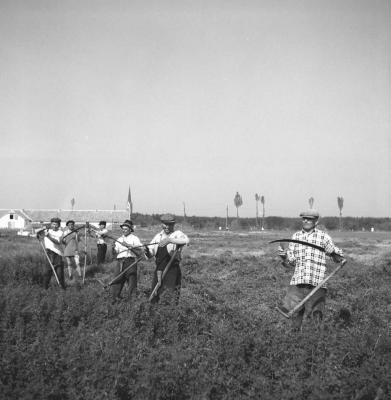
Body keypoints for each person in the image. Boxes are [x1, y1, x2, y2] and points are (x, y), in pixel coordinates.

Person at [277, 209, 344, 330]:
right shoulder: (296, 236)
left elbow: (339, 256)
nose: (306, 221)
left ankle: (315, 344)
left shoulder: (323, 237)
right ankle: (293, 341)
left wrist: (334, 253)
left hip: (318, 282)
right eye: (304, 218)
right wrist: (284, 256)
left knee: (316, 316)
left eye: (309, 219)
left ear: (316, 221)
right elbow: (291, 261)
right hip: (298, 281)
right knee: (294, 315)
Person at [147, 214, 189, 304]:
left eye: (169, 224)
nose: (167, 226)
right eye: (165, 224)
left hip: (172, 269)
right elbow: (150, 253)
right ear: (162, 224)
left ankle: (170, 314)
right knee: (155, 295)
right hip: (159, 269)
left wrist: (170, 240)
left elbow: (186, 241)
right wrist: (146, 251)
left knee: (171, 295)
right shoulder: (158, 236)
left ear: (173, 225)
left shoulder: (177, 234)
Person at [111, 220, 144, 302]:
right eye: (123, 229)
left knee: (131, 281)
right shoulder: (119, 239)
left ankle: (131, 301)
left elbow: (141, 249)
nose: (124, 230)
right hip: (120, 262)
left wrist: (129, 245)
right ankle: (115, 299)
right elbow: (116, 252)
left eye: (126, 229)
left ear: (130, 230)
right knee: (117, 280)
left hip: (130, 262)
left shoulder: (134, 238)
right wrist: (113, 248)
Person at [41, 217, 66, 289]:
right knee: (47, 272)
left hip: (57, 254)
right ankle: (45, 288)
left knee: (59, 273)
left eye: (56, 224)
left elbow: (57, 242)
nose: (54, 226)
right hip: (49, 253)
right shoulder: (47, 230)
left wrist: (48, 236)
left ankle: (62, 288)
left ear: (59, 225)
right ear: (51, 224)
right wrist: (38, 235)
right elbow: (38, 235)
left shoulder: (61, 233)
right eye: (53, 224)